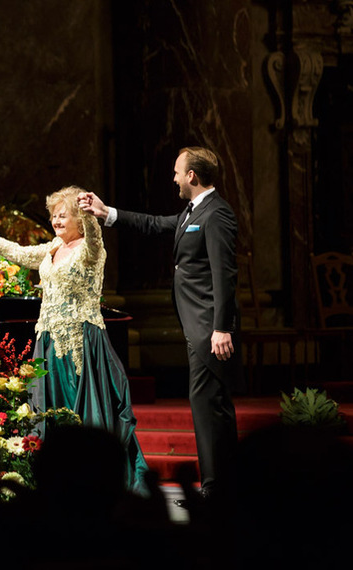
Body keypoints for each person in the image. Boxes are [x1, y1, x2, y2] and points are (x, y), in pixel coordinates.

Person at [0, 186, 149, 492]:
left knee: (83, 410)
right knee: (50, 408)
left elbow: (96, 237)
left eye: (63, 215)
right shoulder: (52, 248)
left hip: (81, 342)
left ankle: (92, 478)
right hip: (47, 339)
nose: (56, 220)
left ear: (78, 217)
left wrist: (89, 216)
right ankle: (58, 478)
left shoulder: (90, 249)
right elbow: (17, 253)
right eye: (53, 215)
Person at [79, 146, 242, 504]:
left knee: (207, 402)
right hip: (196, 322)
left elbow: (224, 274)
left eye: (176, 172)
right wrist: (107, 213)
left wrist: (222, 327)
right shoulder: (192, 211)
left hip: (207, 326)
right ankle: (225, 487)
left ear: (192, 177)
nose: (173, 178)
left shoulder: (217, 214)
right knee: (210, 403)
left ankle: (217, 491)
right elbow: (154, 224)